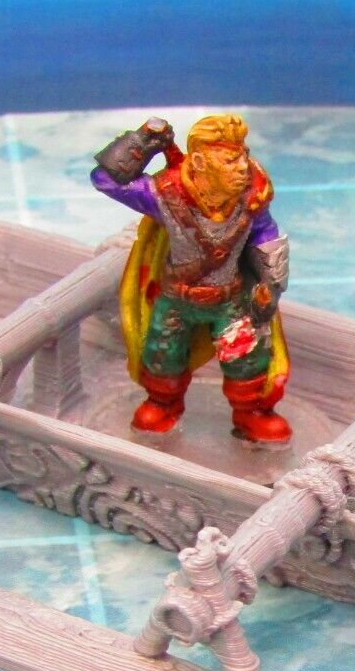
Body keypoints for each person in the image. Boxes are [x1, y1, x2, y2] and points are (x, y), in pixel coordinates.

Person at [91, 115, 292, 444]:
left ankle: (251, 413)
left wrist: (269, 285)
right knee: (162, 354)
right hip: (177, 300)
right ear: (199, 162)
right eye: (230, 160)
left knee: (246, 358)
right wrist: (144, 140)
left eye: (243, 155)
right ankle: (163, 404)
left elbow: (266, 238)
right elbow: (106, 179)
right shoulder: (167, 194)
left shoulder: (251, 198)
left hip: (230, 300)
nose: (242, 167)